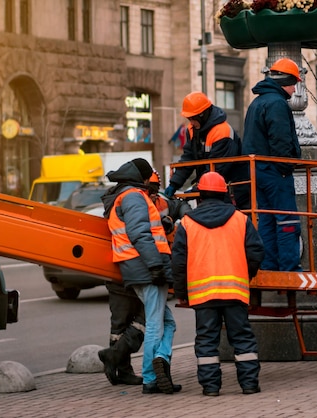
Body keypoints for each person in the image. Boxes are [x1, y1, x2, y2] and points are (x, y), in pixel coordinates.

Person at [172, 171, 264, 397]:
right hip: (235, 291)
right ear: (225, 194)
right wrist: (246, 274)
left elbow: (179, 262)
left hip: (203, 296)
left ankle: (211, 388)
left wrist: (182, 292)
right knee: (242, 339)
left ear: (199, 195)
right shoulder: (240, 219)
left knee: (206, 342)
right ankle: (249, 385)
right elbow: (256, 252)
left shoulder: (186, 223)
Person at [97, 169, 189, 387]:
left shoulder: (142, 199)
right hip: (144, 267)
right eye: (151, 188)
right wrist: (156, 266)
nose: (154, 193)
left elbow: (175, 207)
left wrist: (169, 219)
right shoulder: (134, 198)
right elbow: (140, 234)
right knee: (154, 325)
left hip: (136, 268)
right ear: (143, 182)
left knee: (166, 322)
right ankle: (151, 376)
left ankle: (157, 360)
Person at [242, 57, 302, 271]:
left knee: (266, 221)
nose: (295, 90)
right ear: (286, 81)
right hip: (275, 171)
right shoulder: (276, 103)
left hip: (258, 171)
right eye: (294, 83)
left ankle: (269, 267)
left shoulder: (258, 102)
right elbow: (281, 141)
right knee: (287, 221)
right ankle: (289, 269)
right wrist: (286, 168)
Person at [164, 91, 249, 209]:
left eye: (192, 118)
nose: (191, 122)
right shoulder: (193, 130)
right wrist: (174, 183)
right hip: (212, 189)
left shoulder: (222, 132)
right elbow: (188, 158)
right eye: (189, 118)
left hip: (231, 189)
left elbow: (218, 169)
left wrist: (195, 190)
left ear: (202, 115)